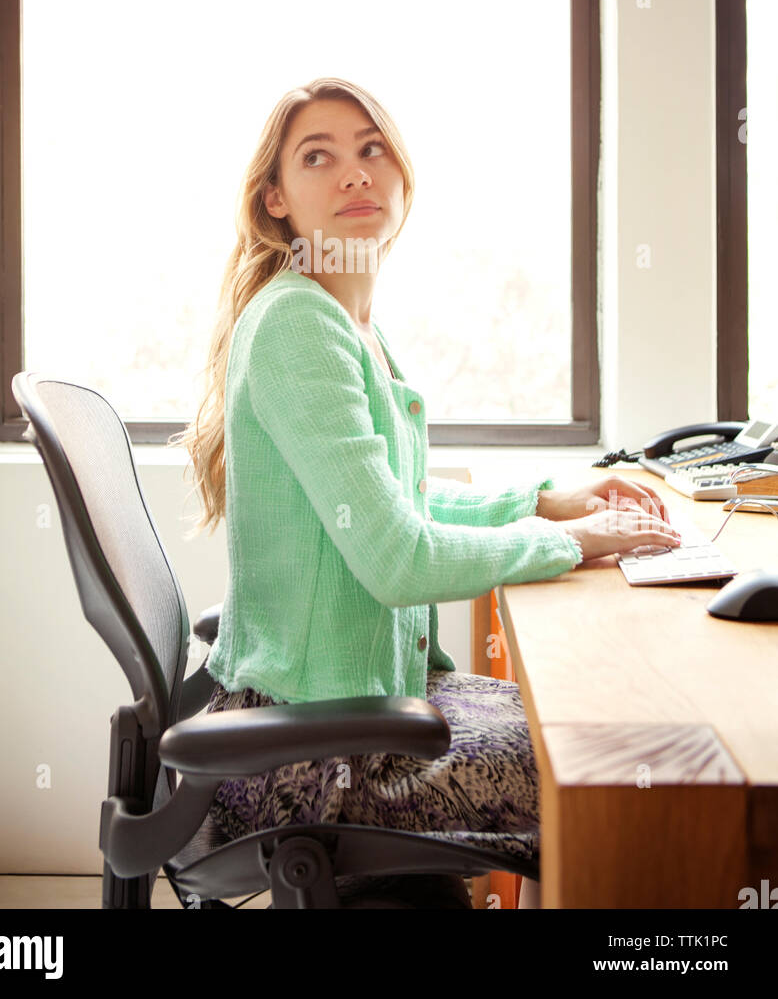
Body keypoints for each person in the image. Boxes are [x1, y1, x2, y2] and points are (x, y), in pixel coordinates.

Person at [172, 77, 681, 909]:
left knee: (601, 739)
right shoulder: (300, 325)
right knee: (629, 781)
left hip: (351, 719)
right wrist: (572, 545)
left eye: (373, 150)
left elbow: (395, 502)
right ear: (275, 201)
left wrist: (546, 500)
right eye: (319, 158)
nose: (355, 175)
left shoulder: (347, 323)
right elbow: (397, 558)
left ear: (403, 178)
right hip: (320, 756)